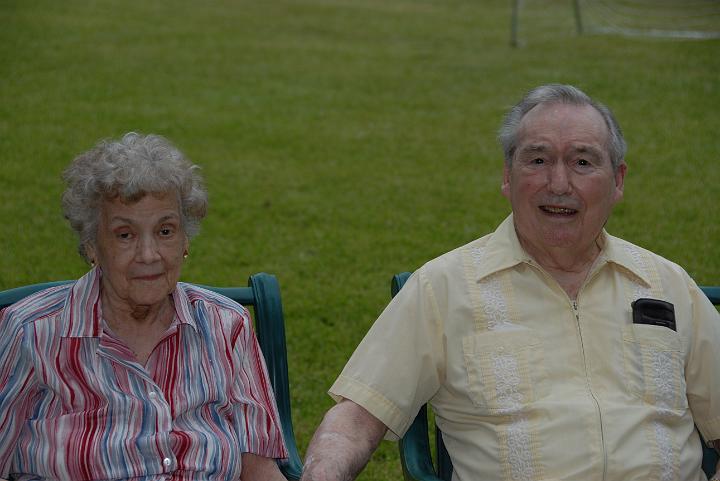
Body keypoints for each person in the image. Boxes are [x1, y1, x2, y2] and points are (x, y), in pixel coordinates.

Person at [300, 84, 720, 481]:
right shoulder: (445, 287)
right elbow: (356, 418)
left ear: (618, 181)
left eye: (582, 162)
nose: (558, 183)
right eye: (537, 160)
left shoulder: (666, 284)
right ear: (507, 176)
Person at [0, 133, 288, 481]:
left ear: (185, 240)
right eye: (125, 235)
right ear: (92, 245)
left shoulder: (228, 326)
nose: (149, 255)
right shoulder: (32, 331)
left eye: (165, 231)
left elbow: (258, 468)